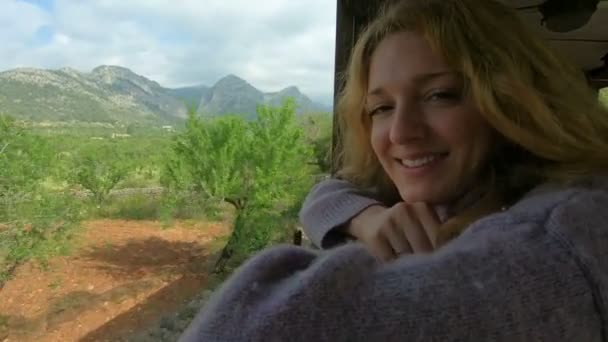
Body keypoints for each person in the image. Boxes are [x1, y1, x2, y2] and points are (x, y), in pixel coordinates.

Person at [179, 0, 608, 340]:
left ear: (509, 101)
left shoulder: (564, 234)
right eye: (382, 108)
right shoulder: (456, 188)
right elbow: (328, 193)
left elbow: (257, 323)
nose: (401, 132)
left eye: (439, 95)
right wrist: (368, 219)